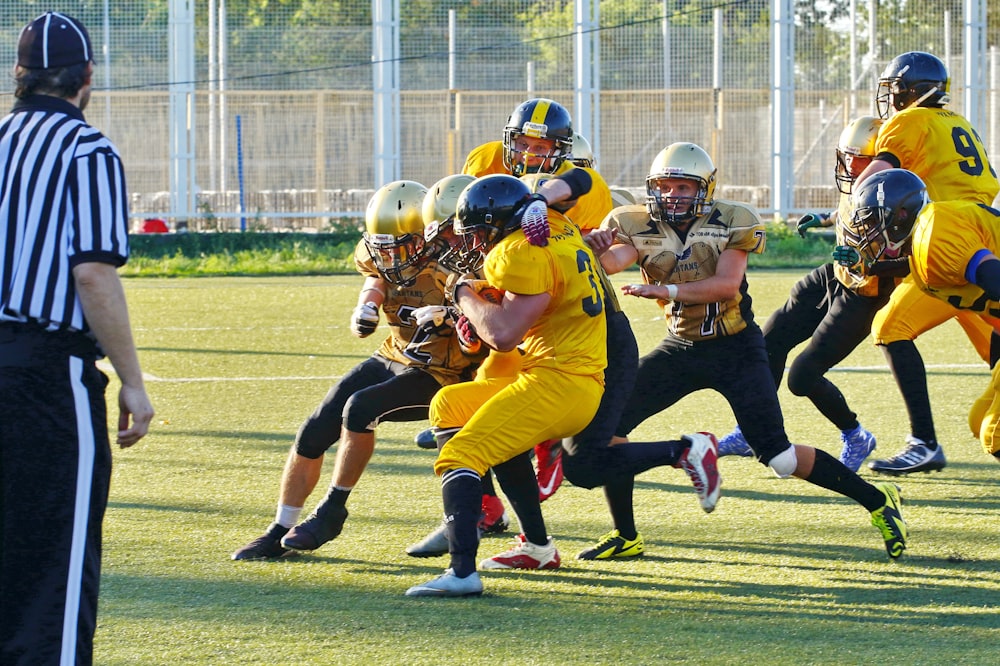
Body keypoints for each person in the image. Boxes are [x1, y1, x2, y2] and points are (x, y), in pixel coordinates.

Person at [584, 142, 908, 561]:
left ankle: (878, 500)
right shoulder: (636, 222)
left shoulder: (732, 220)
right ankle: (626, 536)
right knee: (609, 430)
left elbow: (726, 285)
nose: (673, 195)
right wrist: (593, 247)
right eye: (665, 186)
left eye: (683, 186)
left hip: (736, 349)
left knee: (780, 457)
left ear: (705, 188)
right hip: (680, 348)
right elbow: (614, 261)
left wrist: (665, 290)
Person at [1, 12, 155, 664]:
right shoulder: (85, 150)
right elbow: (92, 273)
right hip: (44, 373)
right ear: (87, 78)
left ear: (19, 75)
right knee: (55, 560)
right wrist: (135, 381)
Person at [231, 180, 484, 560]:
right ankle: (279, 527)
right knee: (316, 426)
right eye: (382, 247)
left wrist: (449, 317)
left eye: (398, 246)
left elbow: (481, 328)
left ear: (426, 234)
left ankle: (333, 510)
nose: (389, 256)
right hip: (396, 352)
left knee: (361, 408)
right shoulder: (382, 251)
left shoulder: (454, 263)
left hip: (443, 370)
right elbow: (376, 275)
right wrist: (365, 306)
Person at [409, 98, 616, 540]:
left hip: (552, 304)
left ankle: (524, 469)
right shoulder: (487, 161)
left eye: (542, 146)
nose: (529, 153)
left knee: (567, 443)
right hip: (513, 293)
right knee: (470, 398)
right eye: (522, 142)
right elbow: (473, 213)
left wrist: (541, 199)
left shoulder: (574, 185)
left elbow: (578, 188)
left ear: (562, 149)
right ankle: (488, 514)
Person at [716, 116, 892, 472]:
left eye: (854, 157)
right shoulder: (867, 185)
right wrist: (826, 218)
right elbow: (853, 210)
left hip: (866, 292)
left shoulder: (897, 194)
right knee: (767, 341)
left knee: (802, 377)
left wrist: (869, 261)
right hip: (836, 276)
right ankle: (751, 431)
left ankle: (856, 434)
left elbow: (911, 257)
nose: (846, 164)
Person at [853, 51, 999, 475]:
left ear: (910, 91)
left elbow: (878, 179)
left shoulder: (908, 122)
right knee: (991, 335)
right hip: (978, 230)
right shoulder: (957, 122)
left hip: (944, 238)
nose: (892, 100)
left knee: (890, 327)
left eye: (895, 90)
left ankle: (923, 442)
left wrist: (846, 213)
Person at [844, 168, 1000, 463]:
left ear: (901, 214)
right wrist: (870, 266)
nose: (870, 232)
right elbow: (918, 264)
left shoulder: (937, 233)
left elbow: (995, 278)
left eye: (874, 221)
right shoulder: (926, 238)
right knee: (980, 422)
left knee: (994, 434)